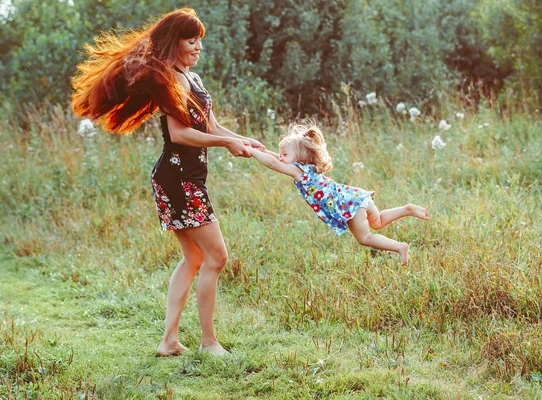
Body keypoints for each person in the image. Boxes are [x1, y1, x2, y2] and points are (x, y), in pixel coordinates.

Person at [71, 8, 264, 356]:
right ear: (174, 42)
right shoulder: (171, 79)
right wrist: (226, 144)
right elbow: (178, 134)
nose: (198, 47)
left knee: (193, 258)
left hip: (183, 178)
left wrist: (245, 139)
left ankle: (169, 342)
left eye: (199, 42)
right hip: (178, 179)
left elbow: (212, 128)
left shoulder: (193, 78)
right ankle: (208, 343)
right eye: (191, 41)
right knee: (216, 258)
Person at [249, 120, 428, 264]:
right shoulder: (306, 167)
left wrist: (251, 152)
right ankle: (406, 209)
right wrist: (264, 151)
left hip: (348, 207)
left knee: (365, 237)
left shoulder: (299, 171)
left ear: (299, 157)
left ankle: (400, 247)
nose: (280, 157)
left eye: (284, 154)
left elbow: (274, 164)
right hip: (356, 197)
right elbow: (278, 160)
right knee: (378, 221)